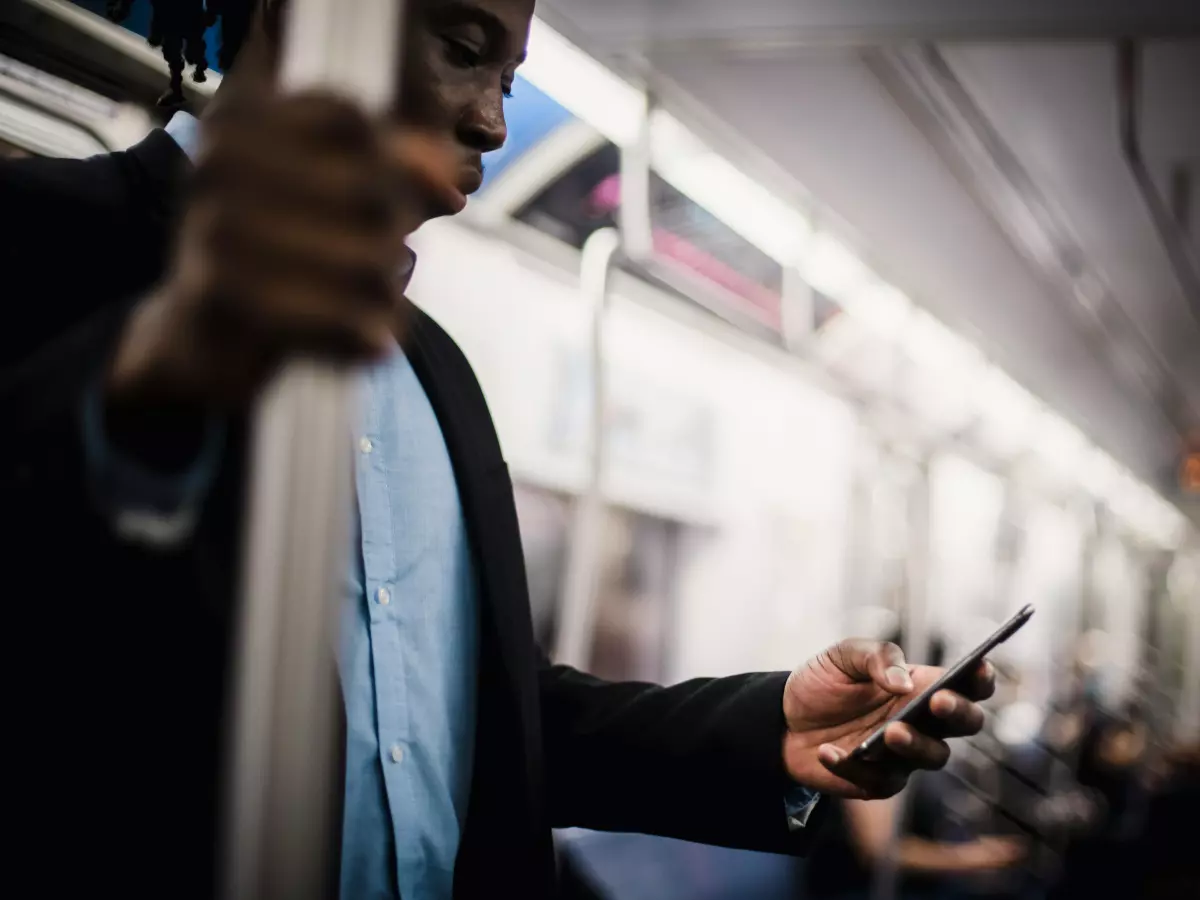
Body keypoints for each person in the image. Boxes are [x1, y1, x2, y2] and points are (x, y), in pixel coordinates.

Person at [0, 2, 995, 898]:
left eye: (509, 79)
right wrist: (152, 389)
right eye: (460, 48)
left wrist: (773, 730)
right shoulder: (40, 242)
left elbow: (486, 724)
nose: (491, 123)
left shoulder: (437, 375)